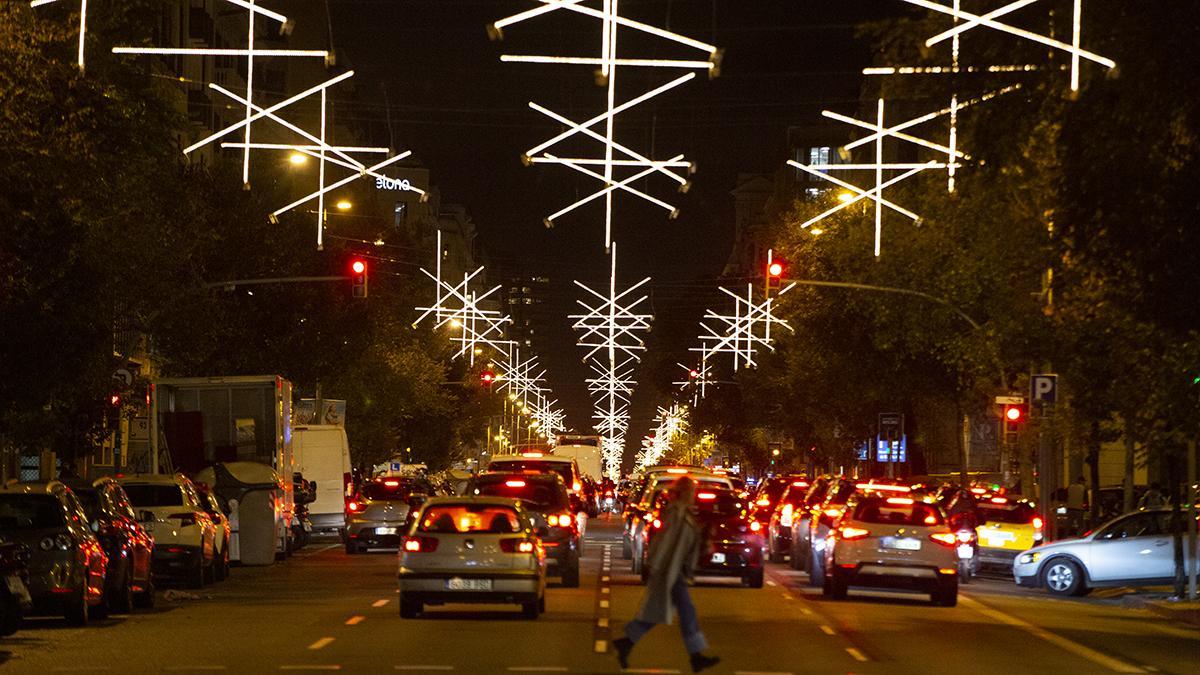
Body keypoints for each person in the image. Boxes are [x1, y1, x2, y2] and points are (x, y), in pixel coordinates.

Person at [613, 476, 720, 673]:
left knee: (657, 613)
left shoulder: (684, 513)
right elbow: (666, 541)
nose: (693, 495)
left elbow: (688, 545)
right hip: (669, 570)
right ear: (685, 492)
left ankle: (626, 642)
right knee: (686, 611)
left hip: (673, 570)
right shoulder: (677, 512)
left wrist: (703, 538)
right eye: (691, 491)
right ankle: (696, 657)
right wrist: (655, 566)